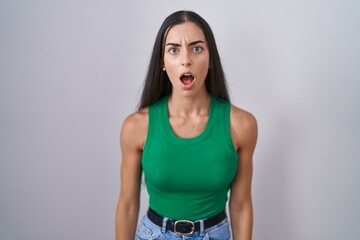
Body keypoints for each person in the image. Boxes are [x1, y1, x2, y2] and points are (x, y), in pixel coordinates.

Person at [116, 10, 258, 240]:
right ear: (162, 62)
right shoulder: (136, 127)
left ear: (211, 59)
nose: (186, 59)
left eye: (197, 48)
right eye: (174, 49)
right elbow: (128, 205)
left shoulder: (241, 125)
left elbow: (241, 206)